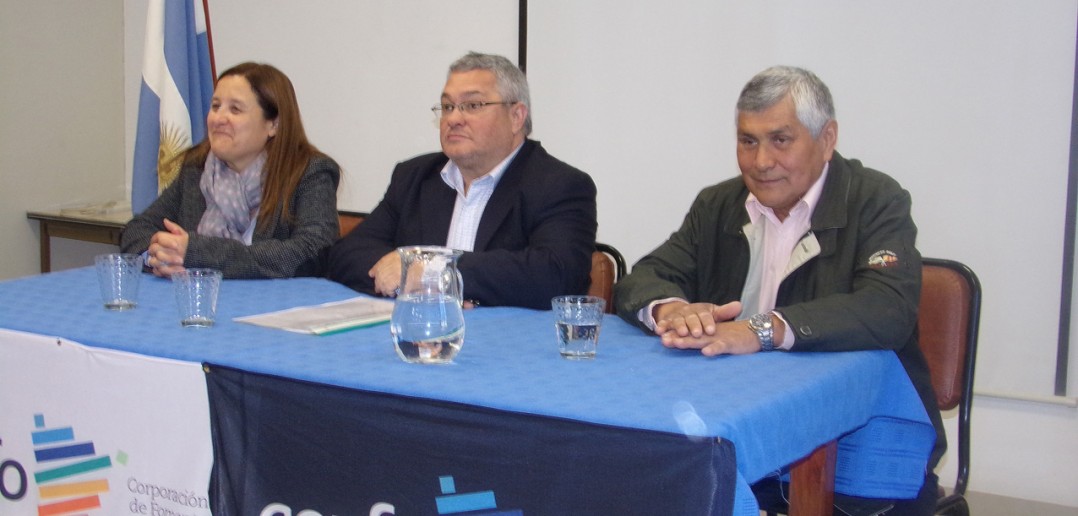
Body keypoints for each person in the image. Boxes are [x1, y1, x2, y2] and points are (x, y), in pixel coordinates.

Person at [613, 66, 942, 515]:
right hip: (738, 428)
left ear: (826, 139)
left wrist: (761, 330)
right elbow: (645, 276)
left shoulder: (876, 200)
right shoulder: (718, 203)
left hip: (852, 442)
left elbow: (888, 309)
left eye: (780, 140)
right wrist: (671, 309)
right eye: (748, 141)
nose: (761, 161)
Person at [326, 52, 597, 309]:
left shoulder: (560, 185)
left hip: (508, 338)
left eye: (473, 105)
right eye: (447, 107)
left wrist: (434, 272)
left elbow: (556, 275)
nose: (453, 119)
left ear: (516, 117)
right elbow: (346, 255)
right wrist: (416, 284)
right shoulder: (414, 177)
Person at [121, 62, 340, 279]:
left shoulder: (309, 172)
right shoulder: (196, 169)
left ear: (273, 125)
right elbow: (137, 229)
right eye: (215, 106)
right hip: (199, 295)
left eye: (235, 109)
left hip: (275, 300)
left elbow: (314, 251)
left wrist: (198, 253)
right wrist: (160, 256)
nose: (218, 119)